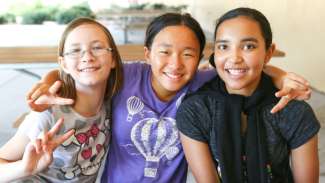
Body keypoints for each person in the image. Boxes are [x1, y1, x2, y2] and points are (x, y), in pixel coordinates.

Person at [26, 13, 311, 182]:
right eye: (164, 52)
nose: (175, 64)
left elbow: (241, 68)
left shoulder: (202, 80)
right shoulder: (127, 76)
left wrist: (280, 76)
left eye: (188, 54)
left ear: (201, 59)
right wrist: (48, 80)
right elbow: (84, 69)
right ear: (148, 54)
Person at [176, 8, 320, 183]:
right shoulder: (196, 109)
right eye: (224, 46)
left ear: (268, 52)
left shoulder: (293, 111)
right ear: (215, 52)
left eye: (248, 46)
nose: (234, 57)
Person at [0, 17, 123, 182]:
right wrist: (24, 168)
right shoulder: (48, 114)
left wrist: (47, 79)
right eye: (75, 50)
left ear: (113, 58)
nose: (87, 56)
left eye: (98, 47)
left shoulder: (113, 103)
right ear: (63, 63)